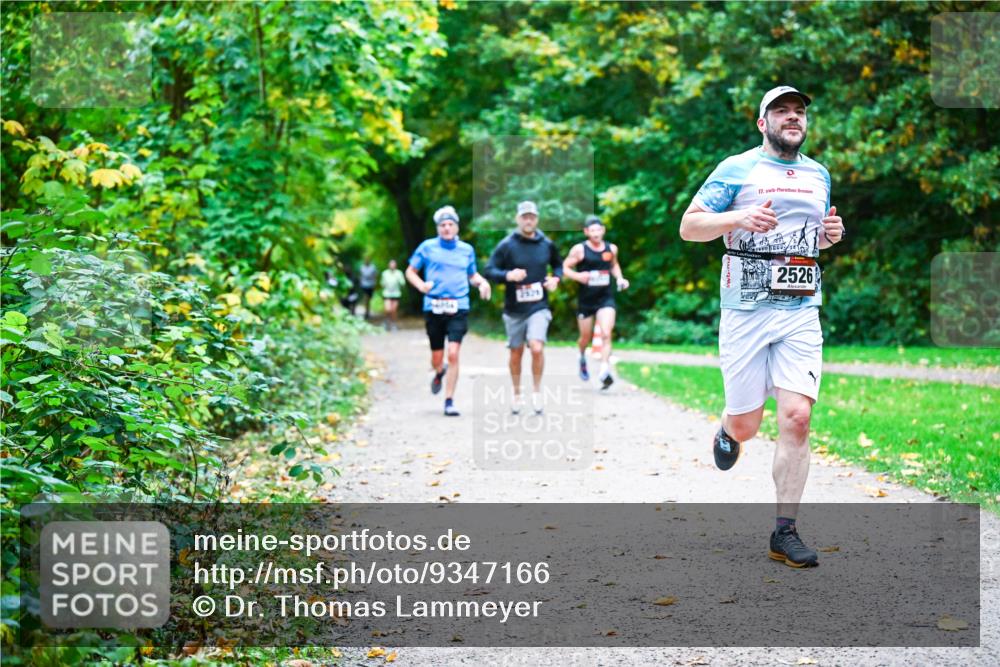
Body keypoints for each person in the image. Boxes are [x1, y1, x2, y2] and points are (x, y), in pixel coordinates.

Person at [678, 85, 845, 568]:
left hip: (800, 308)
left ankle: (784, 532)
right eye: (781, 111)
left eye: (799, 112)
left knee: (797, 417)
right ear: (762, 123)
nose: (792, 118)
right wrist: (740, 217)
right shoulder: (737, 168)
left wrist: (830, 237)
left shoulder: (818, 174)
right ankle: (729, 428)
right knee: (749, 425)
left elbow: (810, 237)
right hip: (746, 311)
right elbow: (690, 226)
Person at [405, 205, 491, 417]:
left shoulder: (466, 250)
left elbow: (472, 275)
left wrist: (483, 283)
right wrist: (421, 286)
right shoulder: (427, 247)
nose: (446, 228)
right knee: (437, 357)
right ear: (437, 228)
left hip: (458, 306)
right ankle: (438, 371)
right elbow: (410, 271)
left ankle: (449, 400)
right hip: (434, 306)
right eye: (442, 225)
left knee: (453, 353)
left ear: (456, 227)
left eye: (450, 224)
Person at [484, 201, 564, 415]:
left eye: (532, 217)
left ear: (536, 219)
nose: (528, 220)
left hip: (539, 306)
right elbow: (489, 270)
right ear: (518, 219)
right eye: (524, 217)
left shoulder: (547, 244)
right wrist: (508, 275)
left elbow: (558, 265)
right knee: (516, 352)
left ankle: (537, 392)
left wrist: (556, 279)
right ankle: (517, 393)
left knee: (536, 346)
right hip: (514, 309)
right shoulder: (507, 245)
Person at [562, 215, 629, 389]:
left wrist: (620, 279)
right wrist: (578, 276)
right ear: (586, 232)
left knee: (606, 333)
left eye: (598, 229)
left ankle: (605, 370)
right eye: (592, 230)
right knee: (585, 337)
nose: (596, 233)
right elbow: (564, 267)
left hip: (605, 298)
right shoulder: (580, 250)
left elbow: (614, 265)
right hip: (586, 300)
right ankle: (582, 356)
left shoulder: (611, 249)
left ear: (603, 230)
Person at [380, 259, 406, 330]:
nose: (392, 266)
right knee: (388, 309)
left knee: (393, 310)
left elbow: (403, 283)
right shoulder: (384, 273)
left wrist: (399, 280)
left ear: (396, 265)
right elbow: (382, 284)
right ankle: (386, 321)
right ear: (389, 265)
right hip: (387, 293)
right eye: (391, 264)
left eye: (393, 264)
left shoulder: (399, 273)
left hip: (396, 294)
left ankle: (393, 324)